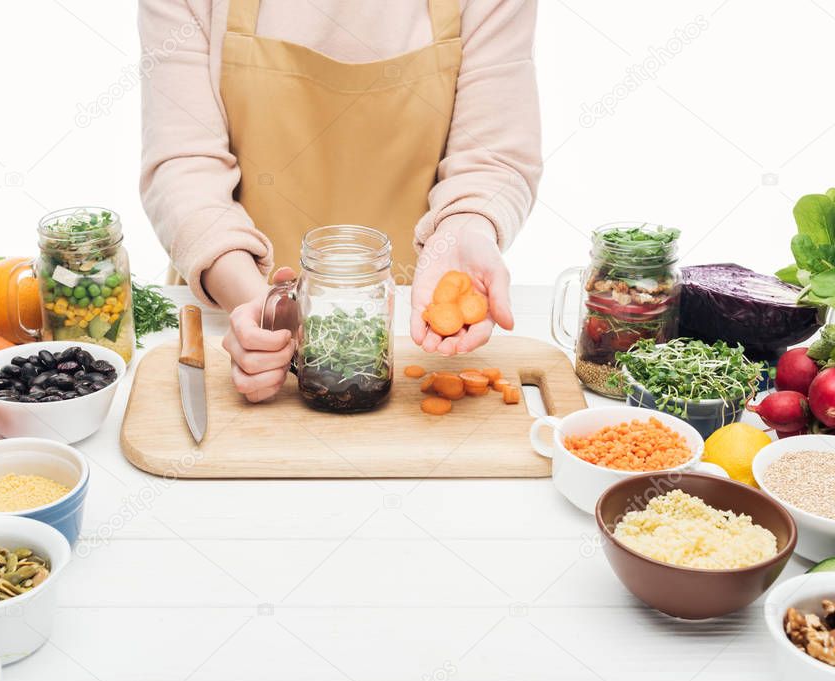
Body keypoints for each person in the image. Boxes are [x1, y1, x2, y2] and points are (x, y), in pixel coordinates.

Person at [140, 0, 541, 402]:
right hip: (236, 314)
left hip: (410, 325)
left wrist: (465, 228)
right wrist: (258, 309)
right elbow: (184, 163)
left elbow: (493, 155)